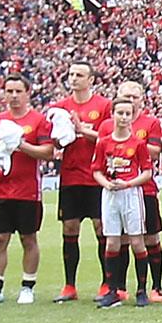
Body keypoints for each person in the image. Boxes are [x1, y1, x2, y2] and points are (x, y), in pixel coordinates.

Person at [0, 75, 54, 305]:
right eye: (9, 90)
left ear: (27, 93)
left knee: (28, 238)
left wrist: (20, 144)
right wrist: (0, 144)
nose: (13, 95)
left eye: (18, 91)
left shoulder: (38, 120)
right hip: (1, 191)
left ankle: (27, 286)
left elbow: (47, 152)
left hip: (28, 191)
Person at [50, 62, 115, 302]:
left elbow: (110, 138)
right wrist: (60, 139)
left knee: (101, 229)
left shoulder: (104, 106)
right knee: (69, 228)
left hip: (96, 177)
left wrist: (83, 131)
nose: (74, 78)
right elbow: (54, 143)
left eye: (80, 75)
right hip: (70, 176)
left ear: (91, 80)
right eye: (71, 74)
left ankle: (106, 282)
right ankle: (69, 285)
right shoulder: (60, 107)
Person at [93, 98, 154, 308]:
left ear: (133, 116)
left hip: (131, 194)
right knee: (112, 242)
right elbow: (97, 170)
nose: (124, 117)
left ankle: (141, 290)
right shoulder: (103, 142)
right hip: (110, 195)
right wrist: (107, 185)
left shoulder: (138, 144)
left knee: (137, 241)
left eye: (128, 113)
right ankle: (112, 290)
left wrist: (128, 184)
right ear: (113, 114)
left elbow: (147, 172)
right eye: (120, 113)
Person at [117, 80, 162, 301]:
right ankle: (119, 287)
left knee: (151, 238)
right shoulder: (110, 123)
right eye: (125, 97)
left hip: (145, 189)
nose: (130, 101)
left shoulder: (150, 123)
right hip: (117, 190)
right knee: (121, 240)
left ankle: (155, 287)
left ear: (142, 100)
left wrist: (128, 138)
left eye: (134, 97)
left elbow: (155, 152)